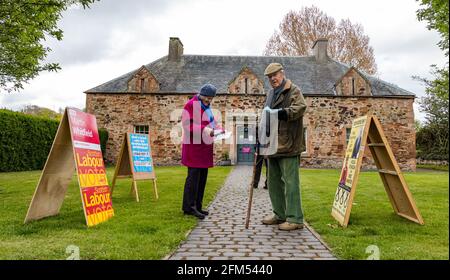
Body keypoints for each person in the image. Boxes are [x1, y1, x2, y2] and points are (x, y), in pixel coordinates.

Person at [261, 63, 307, 231]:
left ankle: (295, 218)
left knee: (290, 183)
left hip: (289, 144)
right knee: (273, 182)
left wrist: (279, 113)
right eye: (270, 77)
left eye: (276, 75)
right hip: (272, 145)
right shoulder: (270, 94)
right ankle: (279, 214)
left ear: (282, 73)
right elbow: (265, 117)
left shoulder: (293, 90)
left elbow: (300, 108)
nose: (273, 78)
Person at [181, 84, 224, 219]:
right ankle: (189, 208)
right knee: (193, 179)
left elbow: (211, 122)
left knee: (202, 179)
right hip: (194, 148)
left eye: (211, 99)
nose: (208, 101)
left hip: (204, 148)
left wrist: (218, 129)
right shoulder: (191, 105)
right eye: (207, 98)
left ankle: (198, 206)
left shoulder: (207, 107)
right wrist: (206, 130)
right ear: (201, 95)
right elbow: (188, 125)